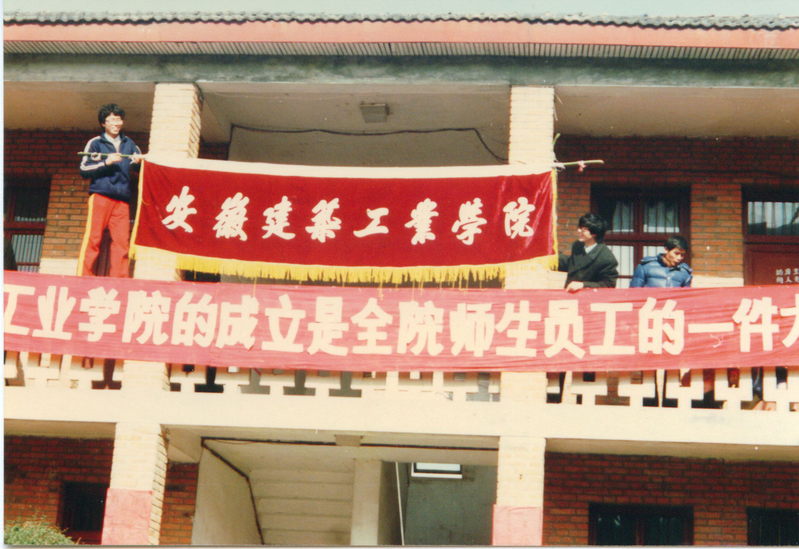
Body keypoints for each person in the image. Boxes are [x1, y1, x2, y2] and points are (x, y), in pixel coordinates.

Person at [78, 103, 141, 277]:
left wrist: (138, 163)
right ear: (103, 123)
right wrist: (106, 162)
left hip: (122, 200)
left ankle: (119, 280)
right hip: (101, 196)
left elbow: (139, 170)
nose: (116, 123)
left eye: (118, 119)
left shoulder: (131, 144)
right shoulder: (96, 143)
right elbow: (84, 170)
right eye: (111, 120)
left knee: (122, 242)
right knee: (94, 238)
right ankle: (84, 276)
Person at [558, 212, 618, 292]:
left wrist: (583, 285)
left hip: (589, 296)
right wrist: (555, 259)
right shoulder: (577, 245)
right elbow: (573, 264)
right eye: (579, 227)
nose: (579, 231)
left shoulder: (606, 258)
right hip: (570, 292)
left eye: (584, 230)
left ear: (594, 233)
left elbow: (609, 284)